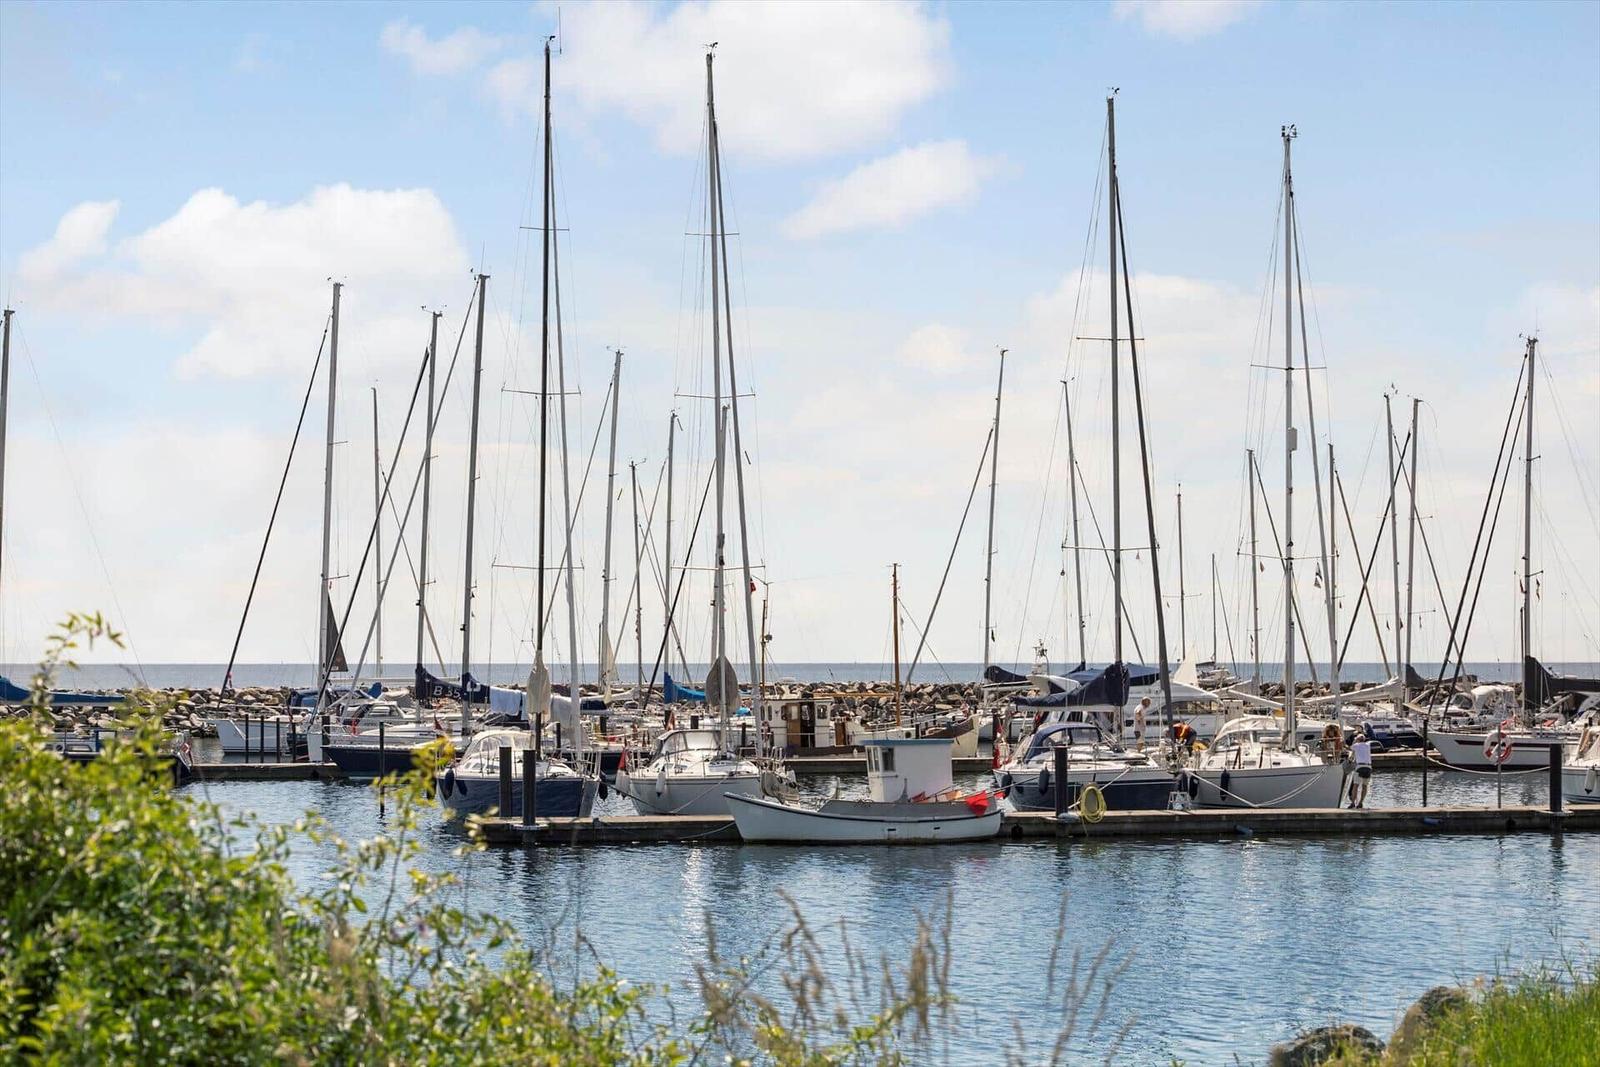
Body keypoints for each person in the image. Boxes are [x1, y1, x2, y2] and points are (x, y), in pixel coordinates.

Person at [1349, 732, 1373, 809]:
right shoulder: (1368, 746)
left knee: (1355, 785)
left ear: (1357, 739)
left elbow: (1350, 748)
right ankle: (1360, 803)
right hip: (1368, 767)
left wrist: (1354, 741)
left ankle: (1353, 803)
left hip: (1360, 766)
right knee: (1364, 786)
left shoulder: (1355, 745)